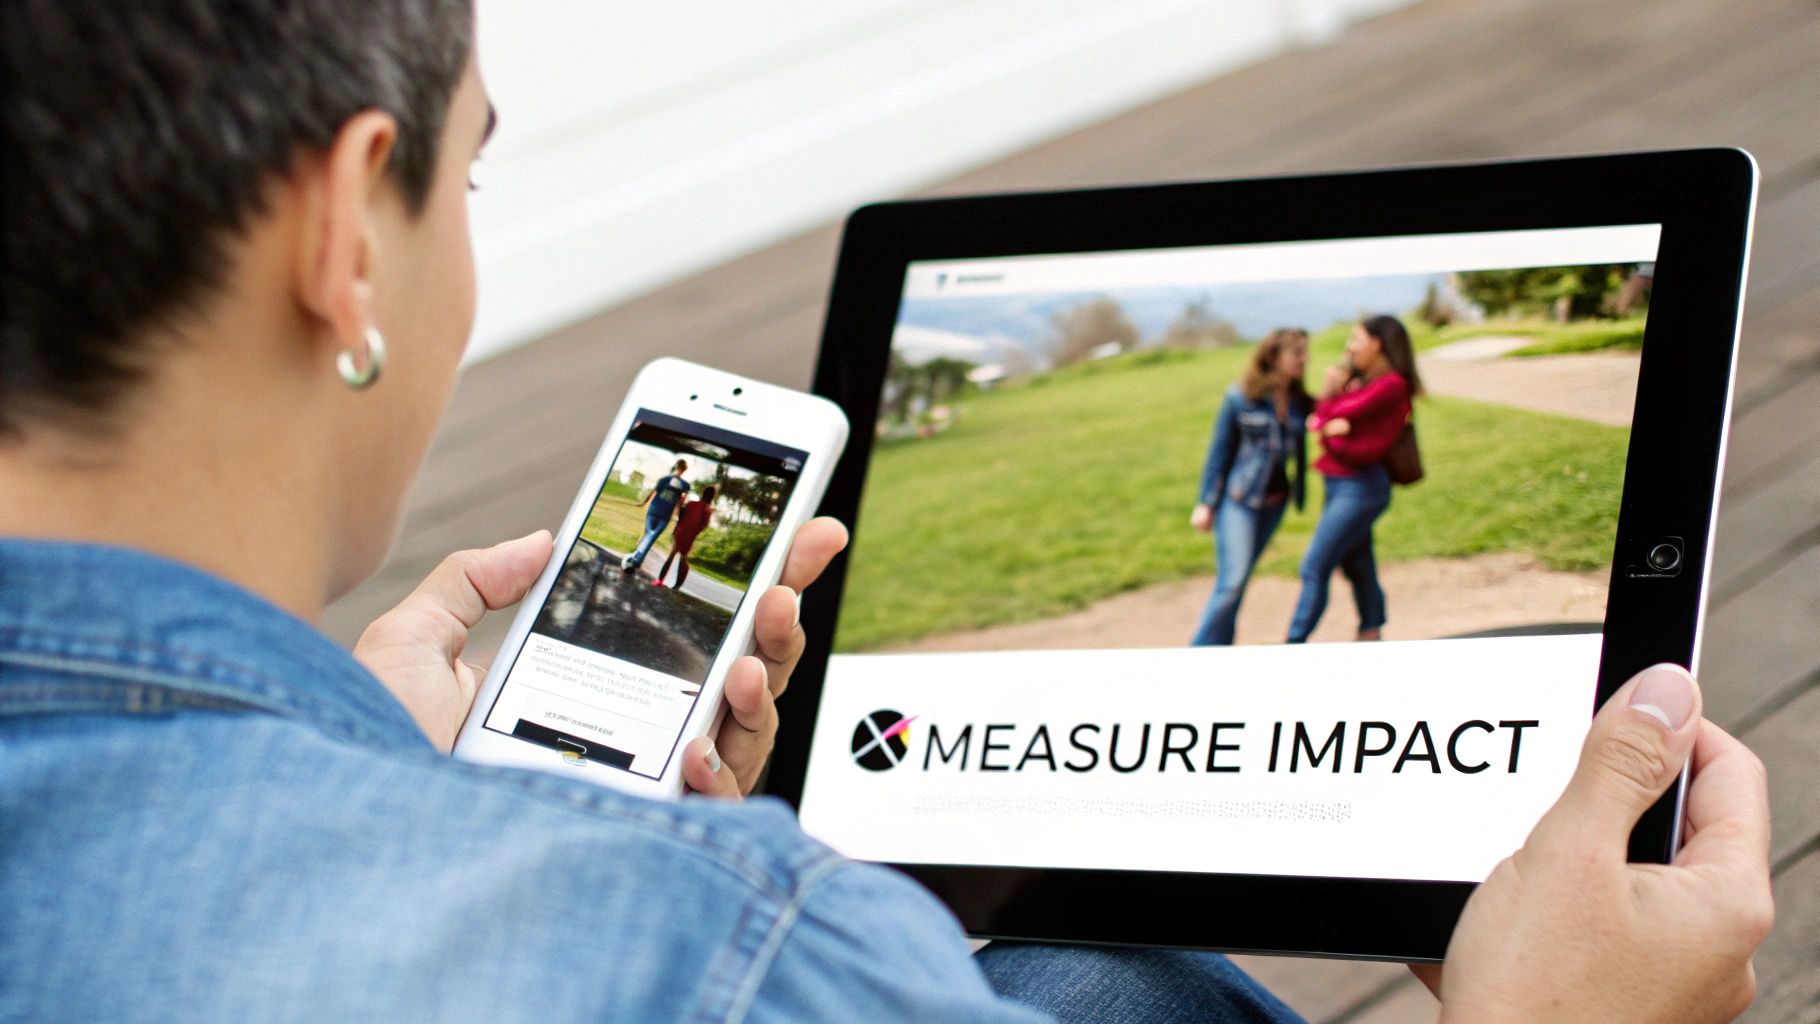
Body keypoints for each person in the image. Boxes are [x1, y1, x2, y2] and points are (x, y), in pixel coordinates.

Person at [0, 4, 1773, 1022]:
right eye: (463, 171)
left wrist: (395, 785)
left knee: (1097, 960)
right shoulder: (730, 938)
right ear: (344, 236)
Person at [1287, 315, 1419, 644]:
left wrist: (1329, 427)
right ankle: (1371, 630)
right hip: (1342, 485)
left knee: (1314, 565)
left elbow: (1343, 434)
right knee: (1358, 565)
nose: (1348, 347)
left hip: (1360, 489)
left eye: (1355, 340)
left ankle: (1293, 642)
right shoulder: (1368, 382)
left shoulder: (1391, 385)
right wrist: (1331, 418)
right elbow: (1327, 417)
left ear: (1377, 343)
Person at [1190, 328, 1311, 646]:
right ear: (1274, 357)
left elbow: (1328, 412)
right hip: (1239, 501)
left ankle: (1221, 647)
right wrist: (1206, 503)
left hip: (1274, 503)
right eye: (1297, 352)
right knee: (1232, 582)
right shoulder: (1241, 397)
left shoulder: (1299, 400)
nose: (1304, 359)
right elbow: (1220, 451)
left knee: (1237, 582)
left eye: (1305, 351)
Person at [624, 458, 691, 573]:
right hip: (665, 514)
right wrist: (679, 515)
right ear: (685, 469)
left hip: (654, 509)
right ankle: (635, 560)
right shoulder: (684, 485)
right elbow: (680, 501)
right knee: (651, 536)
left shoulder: (664, 480)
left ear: (676, 466)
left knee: (648, 534)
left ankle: (636, 561)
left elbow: (654, 492)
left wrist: (644, 503)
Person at [656, 484, 717, 589]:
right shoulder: (707, 510)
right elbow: (704, 525)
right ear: (712, 497)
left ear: (703, 493)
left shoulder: (691, 503)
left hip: (680, 532)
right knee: (682, 560)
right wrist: (696, 532)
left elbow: (680, 516)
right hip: (690, 535)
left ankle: (660, 580)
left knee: (672, 556)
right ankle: (677, 585)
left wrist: (680, 505)